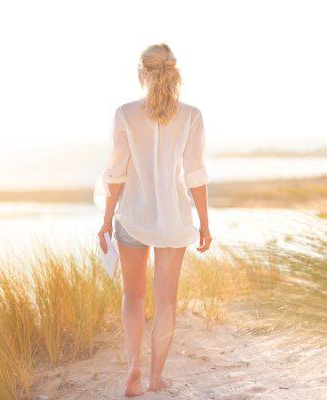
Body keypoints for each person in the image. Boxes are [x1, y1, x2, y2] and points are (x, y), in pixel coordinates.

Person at [94, 43, 212, 397]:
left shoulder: (125, 114)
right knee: (166, 302)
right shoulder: (191, 116)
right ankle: (155, 377)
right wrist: (205, 224)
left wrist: (105, 220)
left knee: (132, 296)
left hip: (132, 217)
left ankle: (134, 367)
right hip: (174, 220)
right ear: (172, 72)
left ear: (142, 73)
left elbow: (115, 173)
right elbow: (195, 175)